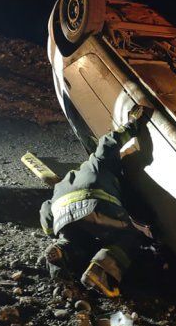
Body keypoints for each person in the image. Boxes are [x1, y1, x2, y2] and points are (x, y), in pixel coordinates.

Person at [40, 105, 153, 297]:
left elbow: (46, 210)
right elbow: (109, 142)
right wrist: (134, 124)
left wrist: (53, 233)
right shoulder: (98, 163)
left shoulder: (63, 184)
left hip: (62, 216)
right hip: (94, 206)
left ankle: (62, 249)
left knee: (75, 238)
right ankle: (100, 272)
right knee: (128, 237)